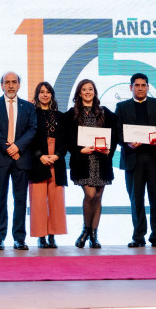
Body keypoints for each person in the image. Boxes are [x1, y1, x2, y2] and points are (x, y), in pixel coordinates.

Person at [115, 73, 156, 248]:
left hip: (155, 158)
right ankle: (138, 237)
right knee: (136, 200)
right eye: (137, 85)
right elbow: (117, 133)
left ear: (148, 87)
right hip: (133, 158)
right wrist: (127, 142)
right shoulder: (122, 106)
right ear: (131, 87)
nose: (140, 88)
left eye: (143, 85)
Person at [0, 71, 37, 250]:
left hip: (21, 158)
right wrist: (8, 147)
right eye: (6, 82)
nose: (10, 85)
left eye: (14, 82)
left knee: (20, 200)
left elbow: (32, 129)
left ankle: (19, 238)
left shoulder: (28, 107)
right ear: (2, 85)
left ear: (19, 85)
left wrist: (18, 146)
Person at [64, 79, 118, 248]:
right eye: (84, 89)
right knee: (90, 195)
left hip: (102, 161)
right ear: (79, 93)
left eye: (91, 89)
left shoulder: (105, 113)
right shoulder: (70, 114)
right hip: (83, 161)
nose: (88, 92)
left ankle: (93, 234)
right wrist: (80, 150)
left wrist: (109, 149)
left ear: (95, 92)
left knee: (99, 196)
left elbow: (114, 135)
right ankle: (86, 230)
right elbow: (66, 139)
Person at [28, 82, 68, 248]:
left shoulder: (60, 116)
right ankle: (41, 236)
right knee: (38, 201)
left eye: (48, 92)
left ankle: (52, 235)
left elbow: (65, 141)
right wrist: (41, 156)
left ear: (52, 95)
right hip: (38, 160)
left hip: (56, 161)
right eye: (41, 92)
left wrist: (57, 156)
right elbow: (29, 139)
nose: (45, 95)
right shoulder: (31, 114)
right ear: (37, 95)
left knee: (56, 200)